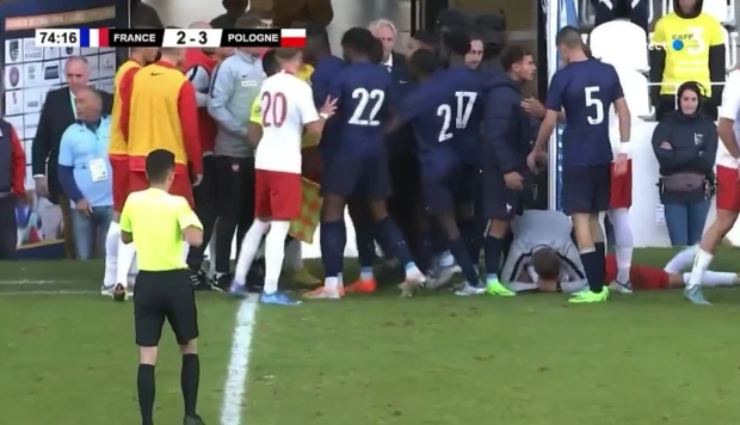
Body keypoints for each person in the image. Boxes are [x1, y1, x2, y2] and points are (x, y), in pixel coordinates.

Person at [306, 27, 426, 300]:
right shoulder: (384, 75)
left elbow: (331, 113)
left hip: (345, 151)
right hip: (375, 151)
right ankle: (411, 267)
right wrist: (380, 132)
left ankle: (332, 283)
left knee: (333, 210)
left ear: (348, 48)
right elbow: (399, 113)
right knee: (380, 211)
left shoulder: (342, 76)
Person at [527, 26, 631, 303]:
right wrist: (624, 150)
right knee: (595, 217)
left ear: (563, 48)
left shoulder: (563, 77)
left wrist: (537, 149)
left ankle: (594, 288)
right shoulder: (607, 71)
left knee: (580, 219)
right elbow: (623, 111)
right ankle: (599, 285)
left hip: (577, 156)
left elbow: (550, 120)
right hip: (602, 155)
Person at [230, 48, 337, 304]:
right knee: (279, 226)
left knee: (260, 222)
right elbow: (314, 129)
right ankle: (270, 290)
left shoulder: (268, 84)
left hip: (264, 158)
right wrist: (324, 114)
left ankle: (239, 279)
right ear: (296, 60)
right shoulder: (300, 88)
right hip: (285, 162)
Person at [119, 149, 205, 425]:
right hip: (175, 282)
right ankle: (189, 414)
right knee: (188, 347)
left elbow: (125, 236)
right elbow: (195, 238)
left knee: (147, 356)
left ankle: (147, 421)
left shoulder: (133, 201)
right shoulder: (178, 204)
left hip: (147, 282)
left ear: (146, 174)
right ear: (171, 175)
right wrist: (185, 229)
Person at [119, 46, 202, 298]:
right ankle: (176, 278)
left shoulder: (137, 76)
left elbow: (124, 119)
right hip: (171, 163)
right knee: (181, 220)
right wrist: (197, 165)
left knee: (133, 219)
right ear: (179, 52)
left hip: (138, 159)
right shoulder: (181, 83)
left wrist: (134, 144)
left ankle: (120, 280)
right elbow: (190, 130)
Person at [501, 210, 739, 294]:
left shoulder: (566, 253)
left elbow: (586, 283)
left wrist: (556, 288)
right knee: (670, 273)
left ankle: (732, 278)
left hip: (612, 271)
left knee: (674, 279)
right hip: (608, 267)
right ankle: (699, 250)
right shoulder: (528, 251)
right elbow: (508, 284)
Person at [32, 56, 113, 259]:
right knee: (74, 234)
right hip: (65, 179)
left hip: (106, 188)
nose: (74, 80)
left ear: (88, 75)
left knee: (106, 241)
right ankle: (76, 266)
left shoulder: (105, 100)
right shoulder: (54, 100)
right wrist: (39, 174)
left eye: (78, 75)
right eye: (70, 76)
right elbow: (41, 139)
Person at [207, 15, 266, 290]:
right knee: (229, 213)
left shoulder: (266, 66)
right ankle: (220, 271)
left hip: (259, 154)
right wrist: (244, 132)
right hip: (231, 152)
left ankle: (245, 270)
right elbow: (215, 106)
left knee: (250, 215)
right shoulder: (228, 66)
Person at [480, 44, 537, 298]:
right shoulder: (502, 96)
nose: (533, 68)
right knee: (499, 221)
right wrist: (508, 170)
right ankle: (491, 278)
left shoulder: (513, 93)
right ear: (515, 66)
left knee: (507, 221)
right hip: (501, 170)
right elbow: (496, 135)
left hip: (512, 166)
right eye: (529, 63)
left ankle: (503, 273)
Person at [105, 46, 159, 299]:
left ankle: (129, 273)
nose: (156, 50)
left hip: (125, 149)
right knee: (122, 214)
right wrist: (134, 140)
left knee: (128, 214)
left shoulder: (129, 70)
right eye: (154, 45)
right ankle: (111, 277)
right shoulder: (132, 73)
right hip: (125, 151)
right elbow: (127, 114)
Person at [684, 68, 740, 305]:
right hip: (732, 165)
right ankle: (694, 282)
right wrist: (738, 158)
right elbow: (724, 127)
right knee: (724, 222)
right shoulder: (736, 81)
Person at [652, 81, 717, 247]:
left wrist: (676, 152)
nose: (689, 103)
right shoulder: (666, 124)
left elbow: (707, 161)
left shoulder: (708, 126)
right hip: (672, 193)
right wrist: (695, 152)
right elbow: (664, 159)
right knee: (679, 246)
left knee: (695, 245)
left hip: (700, 193)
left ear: (699, 101)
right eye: (685, 99)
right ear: (679, 100)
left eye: (693, 99)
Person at [182, 22, 220, 289]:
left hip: (194, 146)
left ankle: (190, 263)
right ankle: (190, 264)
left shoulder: (196, 60)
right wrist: (217, 101)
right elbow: (189, 98)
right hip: (199, 147)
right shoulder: (198, 65)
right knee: (206, 208)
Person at [57, 89, 113, 262]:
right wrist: (78, 198)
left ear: (97, 104)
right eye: (76, 102)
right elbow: (64, 171)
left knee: (109, 257)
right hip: (82, 207)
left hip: (111, 204)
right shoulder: (70, 134)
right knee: (83, 258)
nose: (77, 107)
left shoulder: (114, 127)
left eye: (81, 102)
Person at [650, 0, 725, 120]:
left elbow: (718, 64)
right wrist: (654, 95)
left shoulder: (712, 23)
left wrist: (716, 97)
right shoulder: (662, 24)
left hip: (703, 95)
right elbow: (656, 63)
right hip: (669, 94)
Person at [0, 119, 27, 259]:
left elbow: (19, 159)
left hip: (5, 199)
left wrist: (18, 188)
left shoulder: (7, 129)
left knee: (8, 248)